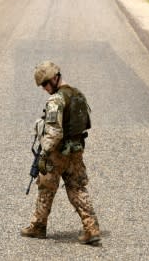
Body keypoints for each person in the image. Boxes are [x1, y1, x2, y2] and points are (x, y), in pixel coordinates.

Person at [21, 61, 101, 245]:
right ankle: (91, 228)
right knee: (77, 188)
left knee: (46, 187)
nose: (43, 88)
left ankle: (38, 226)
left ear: (54, 78)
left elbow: (54, 132)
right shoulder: (78, 94)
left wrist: (44, 154)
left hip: (57, 153)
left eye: (44, 84)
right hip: (76, 150)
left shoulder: (56, 100)